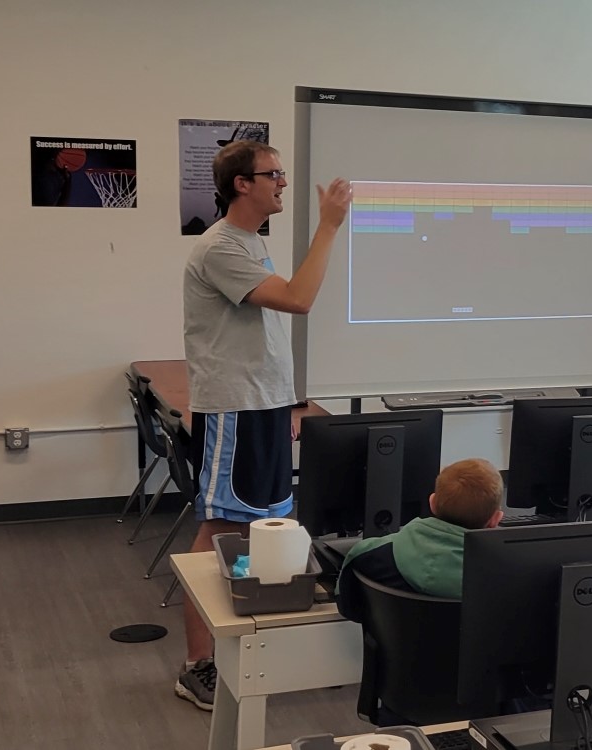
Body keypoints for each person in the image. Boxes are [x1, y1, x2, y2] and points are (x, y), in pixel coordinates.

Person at [175, 139, 353, 710]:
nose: (282, 181)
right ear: (240, 184)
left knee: (269, 524)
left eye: (281, 172)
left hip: (265, 404)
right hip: (235, 409)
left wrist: (288, 402)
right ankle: (197, 666)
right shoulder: (222, 246)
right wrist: (328, 227)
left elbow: (263, 332)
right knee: (221, 532)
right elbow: (299, 300)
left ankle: (263, 644)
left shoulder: (251, 242)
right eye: (271, 174)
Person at [334, 458, 505, 620]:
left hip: (396, 651)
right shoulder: (506, 576)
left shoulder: (367, 556)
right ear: (495, 519)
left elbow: (348, 608)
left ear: (432, 503)